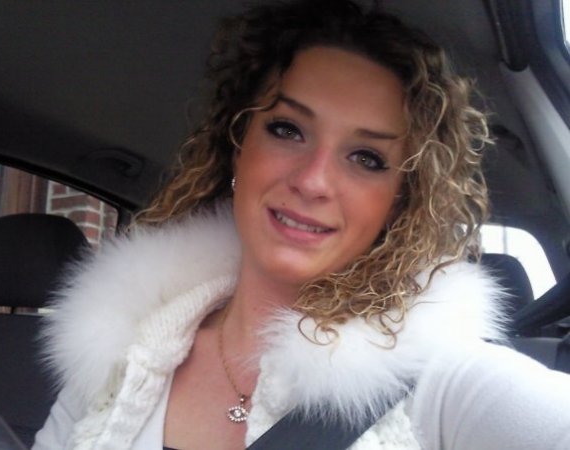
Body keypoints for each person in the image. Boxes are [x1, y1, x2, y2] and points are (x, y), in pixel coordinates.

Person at [33, 1, 570, 449]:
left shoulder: (442, 384)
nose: (313, 181)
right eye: (288, 130)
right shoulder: (118, 358)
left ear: (399, 202)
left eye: (366, 159)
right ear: (237, 145)